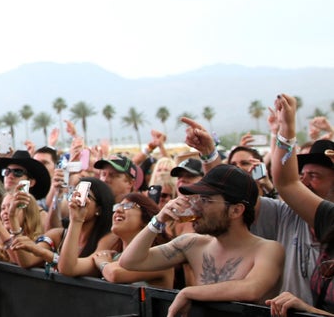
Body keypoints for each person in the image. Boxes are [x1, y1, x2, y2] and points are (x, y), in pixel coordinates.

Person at [119, 164, 284, 317]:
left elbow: (251, 289)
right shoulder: (192, 244)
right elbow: (130, 261)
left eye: (205, 200)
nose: (196, 207)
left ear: (235, 210)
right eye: (196, 199)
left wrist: (188, 292)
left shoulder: (268, 249)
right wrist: (158, 219)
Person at [264, 93, 334, 316]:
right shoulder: (327, 218)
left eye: (314, 175)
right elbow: (286, 182)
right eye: (302, 174)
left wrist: (309, 311)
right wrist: (285, 128)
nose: (304, 181)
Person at [66, 193, 174, 289]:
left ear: (146, 221)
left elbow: (114, 274)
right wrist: (76, 220)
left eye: (128, 206)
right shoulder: (112, 257)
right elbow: (69, 268)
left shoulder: (161, 260)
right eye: (118, 206)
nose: (118, 210)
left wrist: (103, 263)